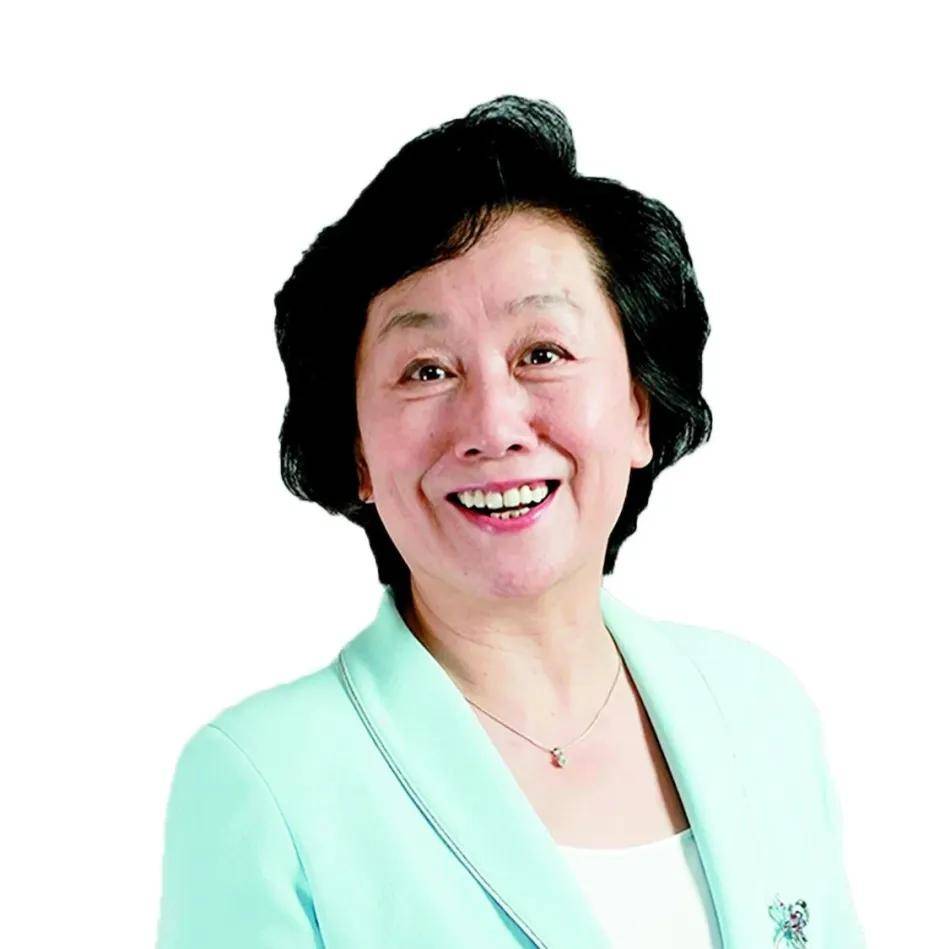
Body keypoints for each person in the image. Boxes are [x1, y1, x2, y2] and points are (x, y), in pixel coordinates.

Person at [155, 95, 866, 948]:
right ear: (356, 451)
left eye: (542, 353)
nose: (493, 426)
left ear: (640, 406)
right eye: (426, 369)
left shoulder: (760, 712)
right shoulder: (266, 783)